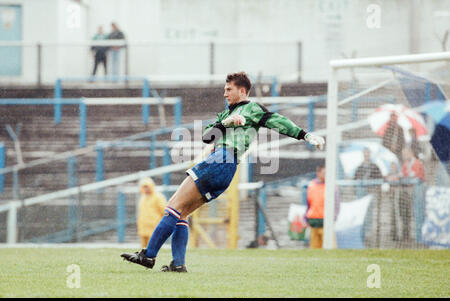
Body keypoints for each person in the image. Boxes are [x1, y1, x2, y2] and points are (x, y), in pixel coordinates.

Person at [121, 72, 325, 272]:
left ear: (242, 91)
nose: (225, 94)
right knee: (181, 213)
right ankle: (178, 264)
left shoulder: (252, 108)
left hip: (221, 160)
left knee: (173, 207)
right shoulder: (226, 114)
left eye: (229, 89)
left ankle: (148, 255)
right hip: (227, 169)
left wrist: (305, 135)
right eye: (224, 89)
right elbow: (208, 137)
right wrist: (224, 123)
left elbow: (278, 121)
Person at [354, 148, 382, 247]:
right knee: (362, 215)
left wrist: (372, 187)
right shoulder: (359, 168)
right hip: (361, 196)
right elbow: (355, 180)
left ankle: (369, 235)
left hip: (370, 195)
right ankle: (362, 234)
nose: (366, 155)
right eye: (365, 153)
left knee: (370, 214)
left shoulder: (374, 167)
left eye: (368, 153)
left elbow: (379, 179)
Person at [399, 147, 426, 243]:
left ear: (411, 153)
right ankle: (414, 237)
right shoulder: (405, 164)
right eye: (403, 155)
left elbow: (416, 175)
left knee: (419, 213)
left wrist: (405, 175)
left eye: (405, 154)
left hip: (419, 191)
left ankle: (421, 238)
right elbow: (401, 175)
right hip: (409, 191)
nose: (404, 156)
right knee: (409, 213)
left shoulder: (417, 163)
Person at [136, 177, 167, 248]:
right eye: (144, 187)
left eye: (147, 187)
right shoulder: (143, 198)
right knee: (143, 248)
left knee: (153, 247)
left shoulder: (158, 197)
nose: (146, 189)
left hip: (154, 227)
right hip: (143, 228)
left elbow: (164, 212)